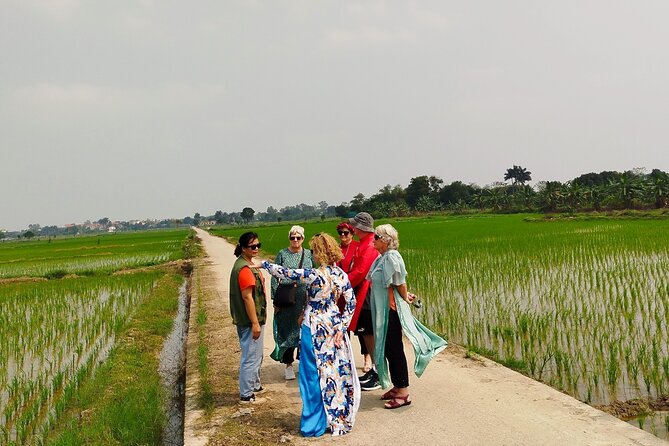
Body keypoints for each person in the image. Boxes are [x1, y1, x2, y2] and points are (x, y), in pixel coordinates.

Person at [262, 233, 359, 437]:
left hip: (313, 328)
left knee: (311, 376)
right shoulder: (340, 274)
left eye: (314, 251)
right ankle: (335, 417)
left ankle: (313, 423)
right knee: (333, 374)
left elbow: (285, 273)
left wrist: (264, 264)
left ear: (319, 253)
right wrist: (342, 327)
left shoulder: (314, 274)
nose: (312, 255)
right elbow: (351, 302)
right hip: (333, 327)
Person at [367, 224, 447, 409]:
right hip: (383, 311)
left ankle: (403, 392)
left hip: (390, 312)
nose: (374, 239)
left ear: (386, 240)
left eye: (377, 237)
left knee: (394, 349)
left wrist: (404, 297)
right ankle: (396, 386)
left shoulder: (392, 256)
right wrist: (403, 293)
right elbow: (393, 284)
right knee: (387, 348)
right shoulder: (382, 258)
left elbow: (400, 282)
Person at [270, 225, 315, 380]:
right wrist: (276, 300)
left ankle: (303, 364)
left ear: (303, 239)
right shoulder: (282, 254)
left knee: (305, 331)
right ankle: (288, 365)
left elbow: (315, 276)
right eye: (292, 237)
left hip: (305, 298)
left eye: (298, 237)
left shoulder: (309, 254)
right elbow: (275, 276)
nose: (295, 240)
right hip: (288, 298)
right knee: (288, 330)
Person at [229, 231, 268, 403]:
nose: (256, 249)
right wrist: (254, 323)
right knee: (251, 356)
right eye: (252, 246)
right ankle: (246, 393)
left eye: (258, 245)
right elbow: (247, 297)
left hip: (252, 318)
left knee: (256, 354)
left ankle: (254, 384)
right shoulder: (244, 269)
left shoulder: (246, 264)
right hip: (250, 320)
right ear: (243, 248)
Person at [346, 212, 381, 390]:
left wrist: (341, 283)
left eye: (355, 226)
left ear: (360, 228)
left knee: (368, 332)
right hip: (362, 292)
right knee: (366, 333)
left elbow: (360, 272)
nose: (353, 228)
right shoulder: (363, 244)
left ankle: (378, 371)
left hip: (367, 294)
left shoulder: (369, 245)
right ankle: (375, 369)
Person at [336, 221, 372, 373]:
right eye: (341, 233)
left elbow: (360, 270)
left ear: (352, 233)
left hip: (355, 289)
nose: (343, 236)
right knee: (343, 327)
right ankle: (346, 358)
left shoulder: (359, 246)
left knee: (360, 325)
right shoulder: (336, 249)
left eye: (346, 233)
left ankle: (367, 357)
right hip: (339, 293)